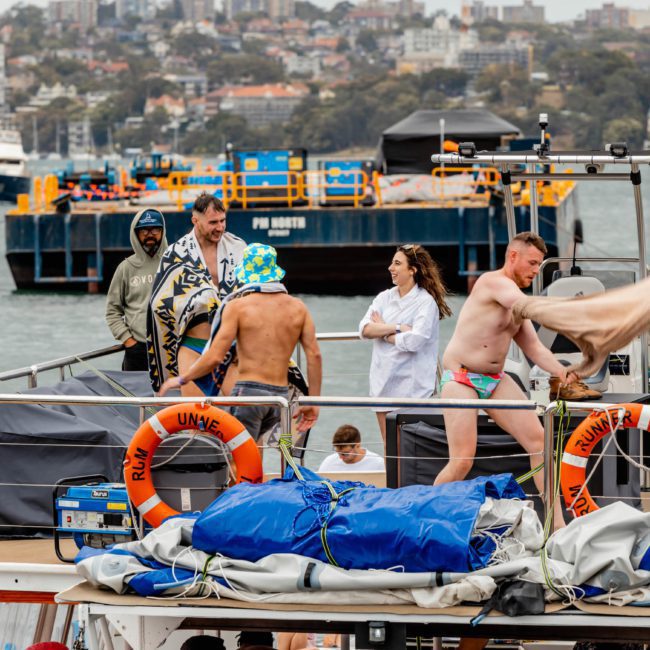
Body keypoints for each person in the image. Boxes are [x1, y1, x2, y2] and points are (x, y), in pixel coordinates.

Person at [435, 231, 586, 526]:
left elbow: (535, 348)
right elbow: (523, 305)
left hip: (494, 379)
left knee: (540, 442)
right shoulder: (494, 283)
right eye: (532, 263)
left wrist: (563, 373)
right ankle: (425, 516)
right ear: (513, 256)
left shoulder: (517, 302)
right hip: (461, 378)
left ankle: (557, 525)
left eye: (540, 265)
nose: (535, 270)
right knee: (462, 460)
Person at [158, 243, 322, 438]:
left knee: (237, 459)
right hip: (280, 397)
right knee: (251, 452)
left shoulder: (238, 307)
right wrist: (313, 401)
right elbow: (314, 356)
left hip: (249, 393)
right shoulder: (298, 308)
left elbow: (215, 357)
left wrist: (182, 378)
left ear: (245, 274)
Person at [147, 193, 246, 395]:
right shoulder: (176, 254)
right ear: (195, 220)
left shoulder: (238, 248)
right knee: (197, 418)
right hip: (194, 344)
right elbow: (159, 302)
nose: (220, 227)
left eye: (222, 221)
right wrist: (198, 300)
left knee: (239, 412)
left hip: (229, 345)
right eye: (213, 222)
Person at [359, 244, 452, 444]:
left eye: (397, 263)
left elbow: (416, 341)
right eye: (392, 262)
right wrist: (398, 327)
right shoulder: (384, 297)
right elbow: (365, 329)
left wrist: (384, 332)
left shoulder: (425, 303)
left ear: (413, 270)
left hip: (413, 389)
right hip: (382, 384)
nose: (390, 267)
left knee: (410, 450)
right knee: (389, 447)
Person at [105, 208, 167, 371]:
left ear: (162, 231)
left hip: (170, 349)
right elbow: (112, 311)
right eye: (144, 230)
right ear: (136, 234)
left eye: (155, 229)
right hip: (137, 351)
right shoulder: (125, 268)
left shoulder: (173, 263)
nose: (150, 234)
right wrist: (128, 341)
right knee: (134, 395)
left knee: (172, 396)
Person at [318, 424, 385, 472]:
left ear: (357, 446)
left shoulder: (378, 463)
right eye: (338, 452)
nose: (340, 458)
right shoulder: (328, 462)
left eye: (345, 454)